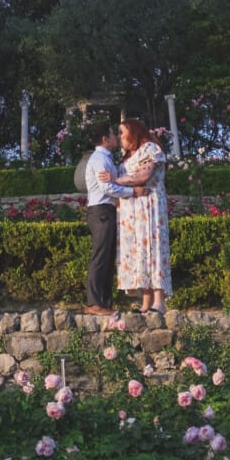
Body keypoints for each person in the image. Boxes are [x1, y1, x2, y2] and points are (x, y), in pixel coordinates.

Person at [100, 118, 171, 314]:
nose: (120, 137)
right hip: (131, 210)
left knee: (153, 248)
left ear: (134, 132)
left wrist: (115, 179)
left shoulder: (150, 149)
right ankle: (146, 301)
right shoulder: (126, 156)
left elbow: (144, 176)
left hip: (149, 206)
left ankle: (159, 300)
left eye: (123, 133)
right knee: (140, 251)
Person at [83, 119, 147, 315]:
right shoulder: (100, 159)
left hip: (106, 211)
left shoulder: (106, 158)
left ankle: (104, 303)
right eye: (113, 134)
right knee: (100, 258)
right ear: (105, 139)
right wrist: (133, 192)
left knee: (108, 258)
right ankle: (94, 303)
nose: (116, 138)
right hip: (101, 210)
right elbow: (107, 187)